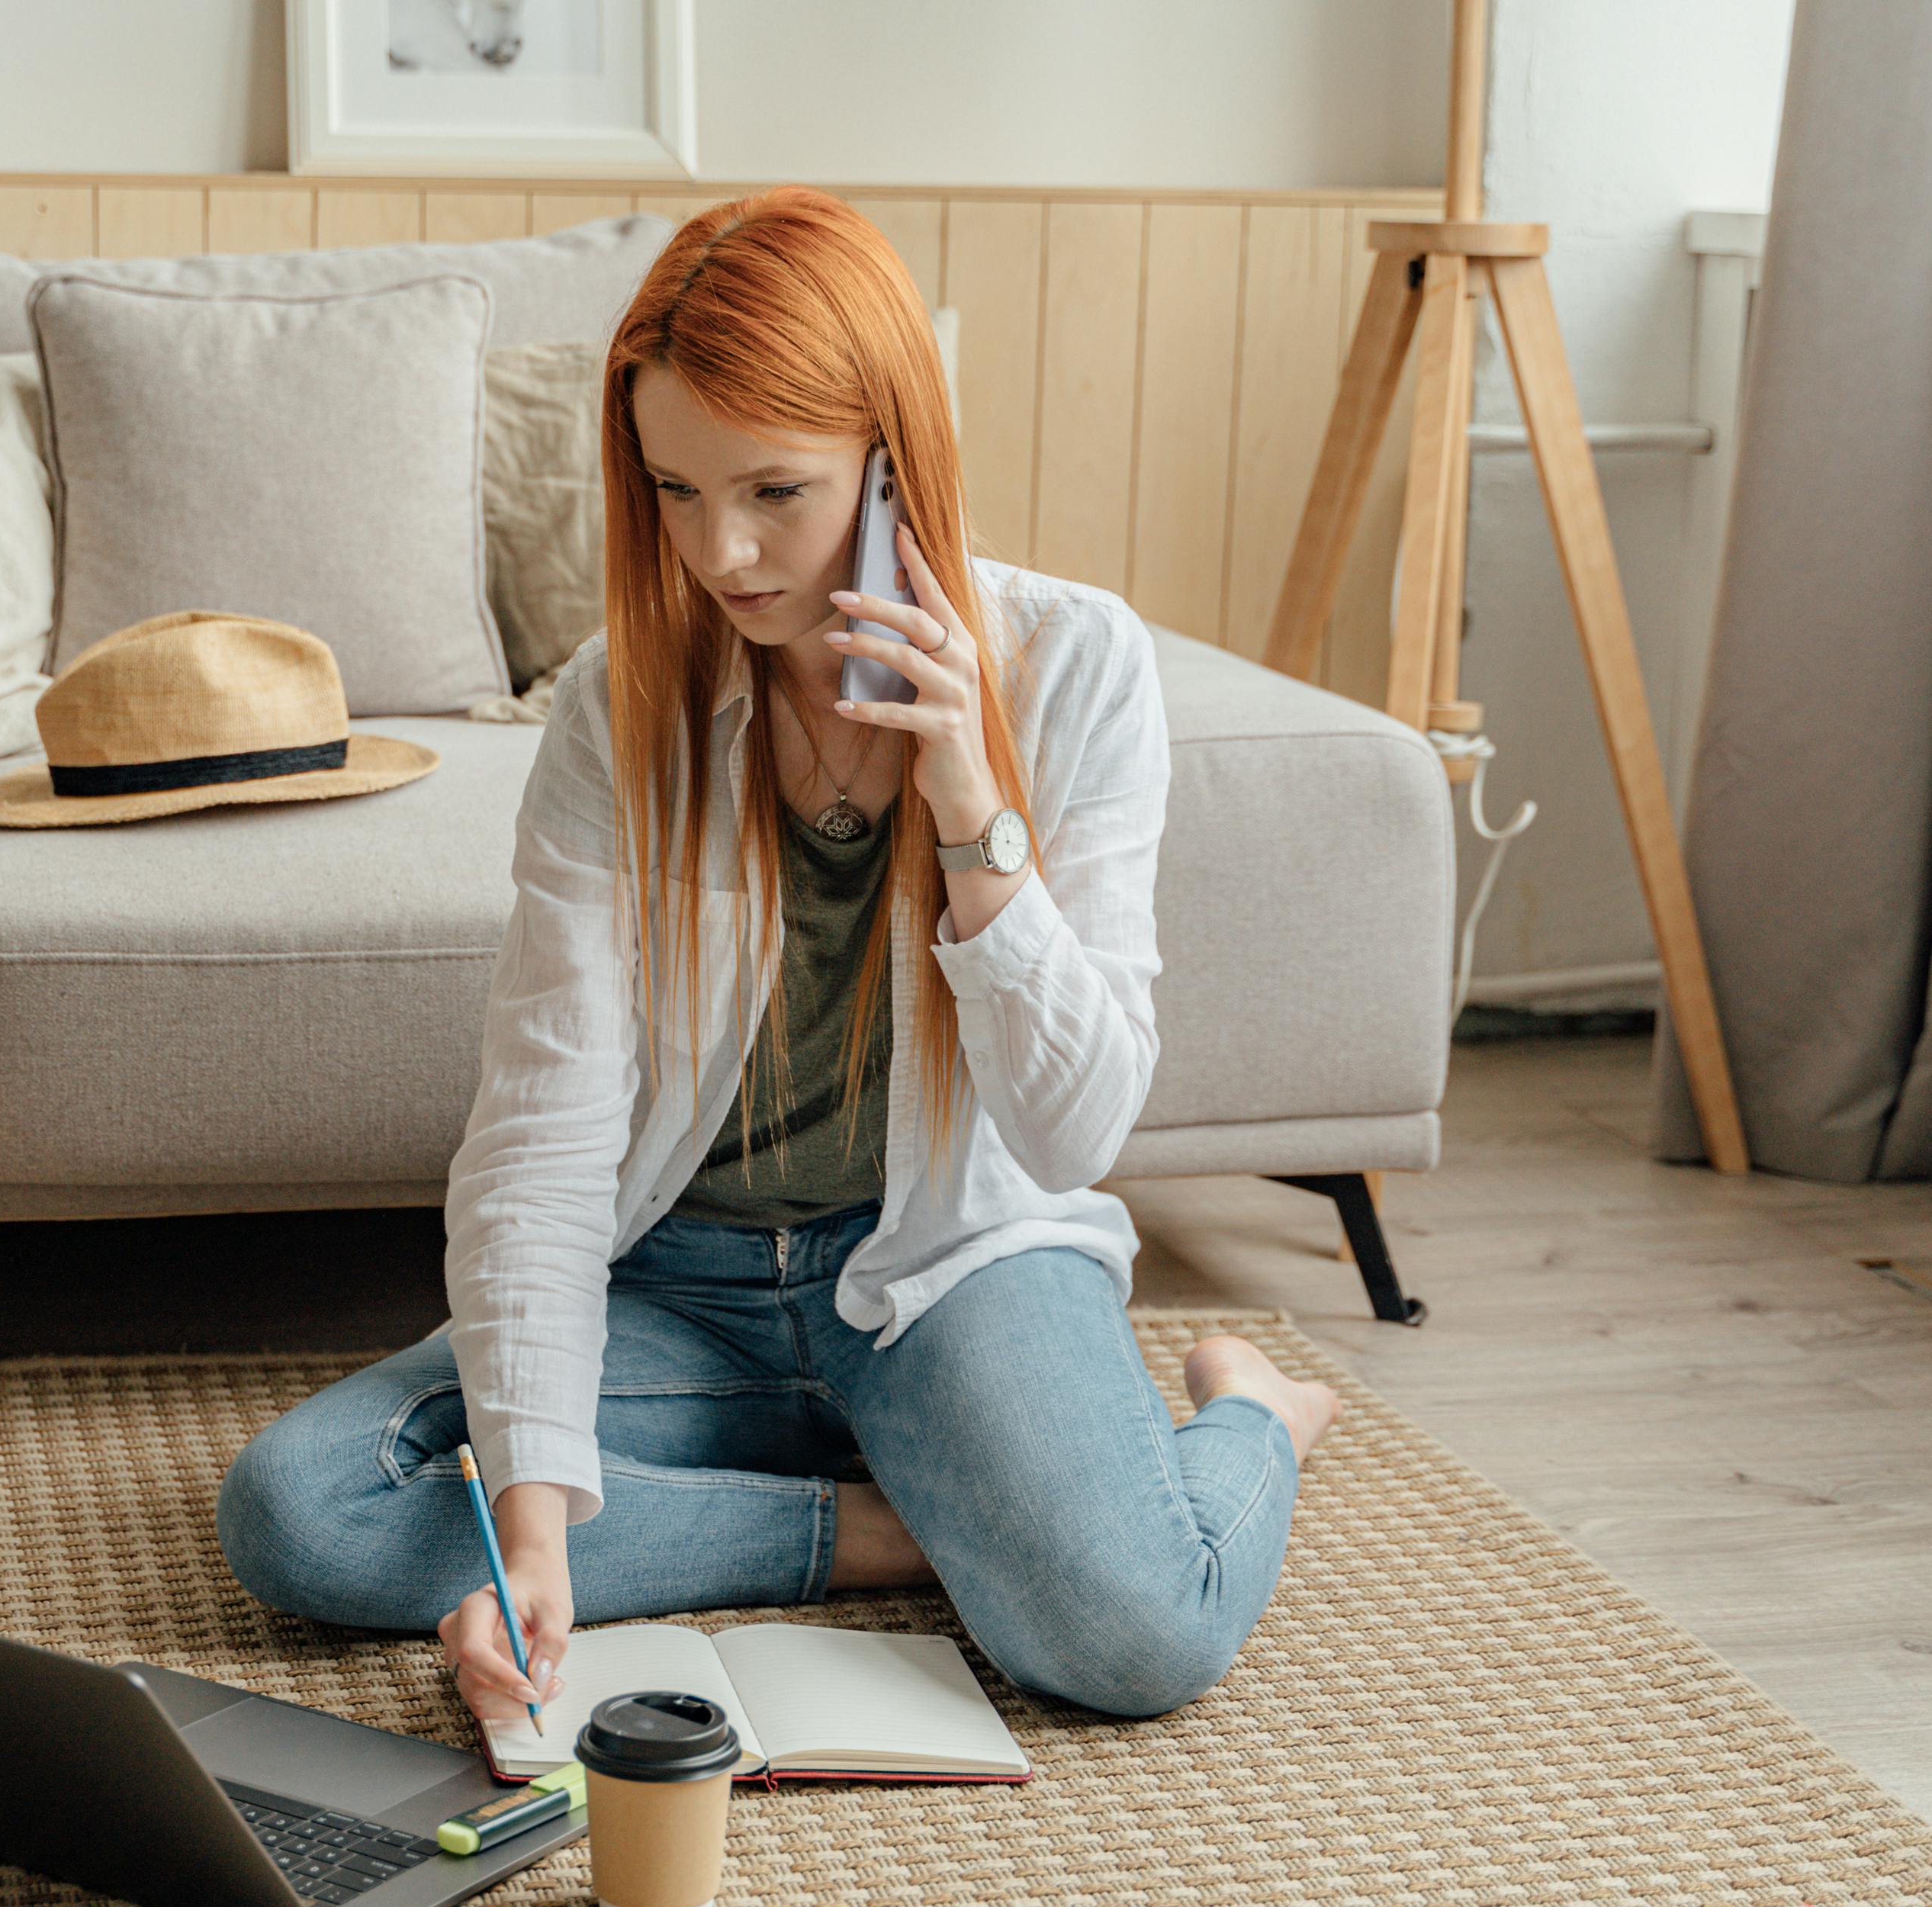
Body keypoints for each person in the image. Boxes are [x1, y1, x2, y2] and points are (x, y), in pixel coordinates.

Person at [218, 186, 1342, 1725]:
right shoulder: (618, 708)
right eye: (675, 492)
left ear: (893, 461)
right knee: (306, 1511)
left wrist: (969, 804)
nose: (722, 552)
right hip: (681, 1289)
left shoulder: (1075, 666)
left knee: (1140, 1630)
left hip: (947, 1271)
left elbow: (1074, 1131)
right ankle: (892, 1525)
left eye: (775, 491)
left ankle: (1253, 1413)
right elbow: (541, 1136)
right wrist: (534, 1536)